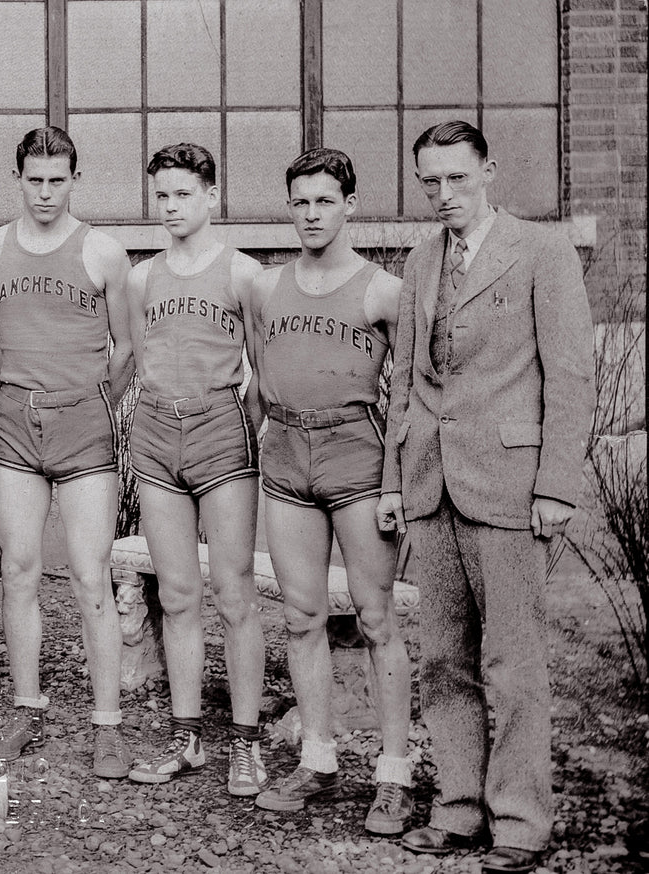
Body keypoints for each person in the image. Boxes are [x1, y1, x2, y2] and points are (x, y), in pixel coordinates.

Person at [381, 121, 593, 872]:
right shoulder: (418, 259)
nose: (443, 195)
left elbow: (569, 376)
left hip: (509, 489)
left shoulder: (541, 252)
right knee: (442, 660)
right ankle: (458, 807)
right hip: (429, 486)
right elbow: (403, 382)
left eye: (456, 179)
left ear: (488, 172)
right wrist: (391, 483)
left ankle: (520, 821)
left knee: (513, 665)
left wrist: (556, 487)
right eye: (429, 182)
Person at [246, 148, 414, 835]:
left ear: (349, 204)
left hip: (354, 455)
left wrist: (394, 482)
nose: (311, 214)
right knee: (302, 616)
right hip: (284, 454)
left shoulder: (381, 290)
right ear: (288, 208)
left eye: (324, 200)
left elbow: (406, 395)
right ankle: (317, 758)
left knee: (375, 620)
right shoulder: (264, 287)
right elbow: (259, 379)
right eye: (300, 202)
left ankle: (393, 773)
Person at [0, 126, 134, 778]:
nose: (44, 192)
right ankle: (26, 705)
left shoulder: (102, 252)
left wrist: (94, 407)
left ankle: (106, 724)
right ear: (17, 178)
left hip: (83, 426)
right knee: (18, 571)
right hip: (16, 422)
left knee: (91, 577)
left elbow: (126, 348)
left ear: (75, 179)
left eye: (56, 180)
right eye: (33, 179)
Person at [121, 144, 267, 796]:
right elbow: (134, 357)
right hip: (154, 431)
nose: (172, 207)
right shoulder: (140, 278)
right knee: (177, 595)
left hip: (219, 429)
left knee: (234, 594)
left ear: (210, 195)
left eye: (183, 194)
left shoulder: (243, 275)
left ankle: (245, 745)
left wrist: (235, 425)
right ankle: (187, 740)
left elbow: (261, 371)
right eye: (162, 196)